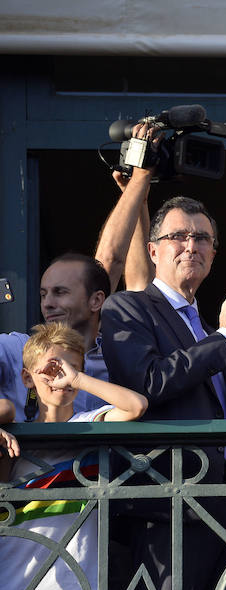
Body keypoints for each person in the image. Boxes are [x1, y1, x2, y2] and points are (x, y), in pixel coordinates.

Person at [100, 195, 226, 590]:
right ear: (153, 249)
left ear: (213, 253)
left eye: (202, 238)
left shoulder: (206, 328)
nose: (191, 245)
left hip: (222, 505)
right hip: (168, 505)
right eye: (178, 236)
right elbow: (147, 383)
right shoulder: (127, 308)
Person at [0, 123, 158, 421]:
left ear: (97, 301)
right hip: (28, 469)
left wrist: (140, 194)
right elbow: (108, 263)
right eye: (44, 293)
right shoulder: (17, 348)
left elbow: (130, 278)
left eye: (61, 292)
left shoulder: (117, 356)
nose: (47, 303)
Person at [0, 322, 146, 590]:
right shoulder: (15, 437)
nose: (59, 377)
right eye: (51, 369)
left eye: (69, 368)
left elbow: (135, 406)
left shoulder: (88, 422)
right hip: (15, 582)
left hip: (76, 583)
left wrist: (78, 379)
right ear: (27, 378)